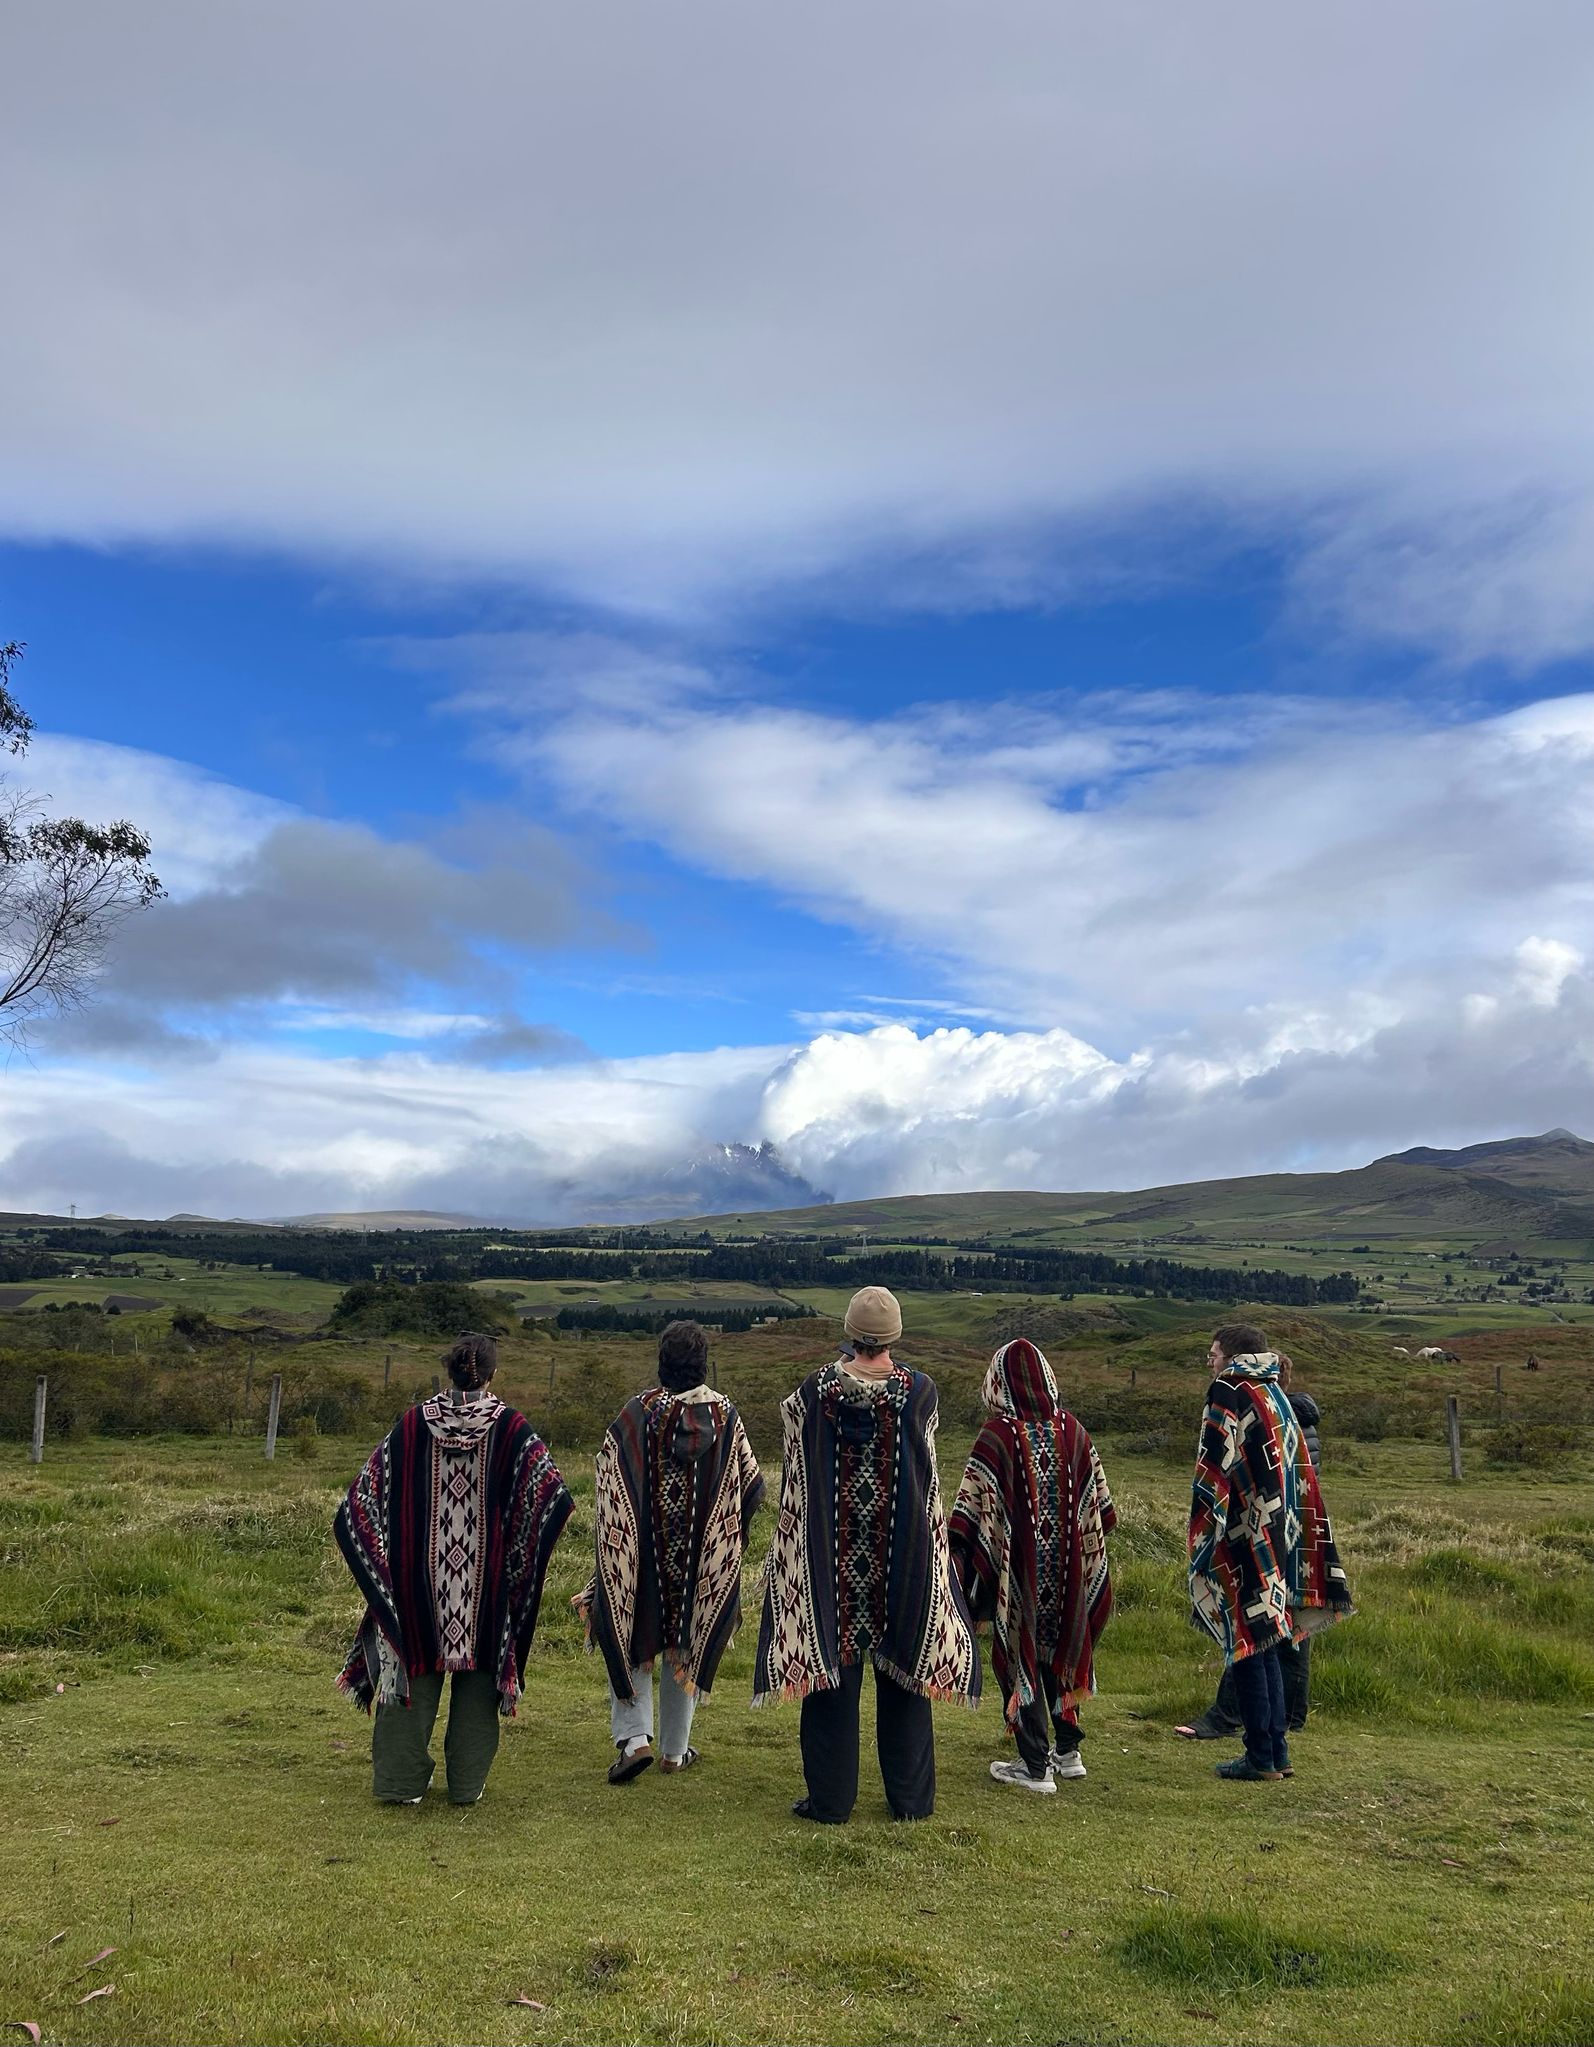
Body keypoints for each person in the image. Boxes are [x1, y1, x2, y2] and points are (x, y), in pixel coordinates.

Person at [753, 1284, 980, 1823]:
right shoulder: (921, 1392)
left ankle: (830, 1801)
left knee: (832, 1678)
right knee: (906, 1676)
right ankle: (911, 1801)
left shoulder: (812, 1393)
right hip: (905, 1557)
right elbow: (925, 1471)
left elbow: (798, 1468)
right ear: (894, 1335)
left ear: (849, 1331)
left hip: (830, 1558)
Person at [334, 1331, 574, 1806]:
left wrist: (386, 1573)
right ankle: (466, 1784)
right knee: (480, 1682)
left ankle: (400, 1783)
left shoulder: (412, 1426)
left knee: (412, 1674)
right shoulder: (511, 1428)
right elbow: (551, 1497)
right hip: (485, 1586)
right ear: (493, 1375)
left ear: (449, 1371)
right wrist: (515, 1560)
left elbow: (359, 1503)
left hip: (416, 1584)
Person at [576, 1319, 765, 1785]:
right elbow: (752, 1487)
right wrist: (725, 1540)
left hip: (641, 1560)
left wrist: (616, 1545)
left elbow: (608, 1474)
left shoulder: (636, 1414)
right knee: (685, 1645)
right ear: (702, 1366)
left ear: (663, 1364)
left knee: (630, 1633)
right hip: (700, 1562)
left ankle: (635, 1741)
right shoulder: (727, 1417)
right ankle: (674, 1753)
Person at [950, 1338, 1116, 1796]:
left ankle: (1034, 1765)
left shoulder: (997, 1437)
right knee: (1063, 1643)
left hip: (1017, 1574)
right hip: (1069, 1574)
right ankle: (1068, 1752)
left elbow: (968, 1518)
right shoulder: (1074, 1430)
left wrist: (963, 1566)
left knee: (1021, 1649)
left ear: (997, 1382)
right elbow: (1101, 1511)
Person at [1187, 1324, 1353, 1784]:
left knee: (1247, 1643)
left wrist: (1204, 1530)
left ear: (1233, 1357)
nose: (1210, 1361)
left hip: (1243, 1534)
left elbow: (1216, 1465)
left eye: (1214, 1353)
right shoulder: (1275, 1390)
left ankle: (1261, 1755)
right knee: (1269, 1639)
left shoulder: (1230, 1390)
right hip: (1280, 1535)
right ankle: (1276, 1752)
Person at [1175, 1352, 1319, 1742]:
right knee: (1286, 1633)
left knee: (1258, 1632)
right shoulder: (1288, 1416)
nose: (1210, 1361)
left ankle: (1236, 1721)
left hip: (1268, 1535)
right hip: (1291, 1535)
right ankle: (1284, 1721)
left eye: (1216, 1354)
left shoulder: (1266, 1417)